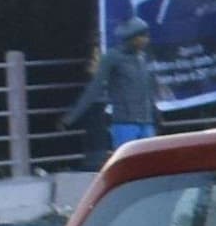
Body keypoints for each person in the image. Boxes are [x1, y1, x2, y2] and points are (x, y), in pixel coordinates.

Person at [66, 21, 160, 159]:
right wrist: (72, 117)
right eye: (142, 36)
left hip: (146, 122)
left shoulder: (142, 58)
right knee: (127, 162)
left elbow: (148, 89)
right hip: (125, 123)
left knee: (151, 162)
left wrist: (156, 113)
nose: (146, 40)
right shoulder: (113, 57)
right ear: (132, 38)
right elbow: (94, 88)